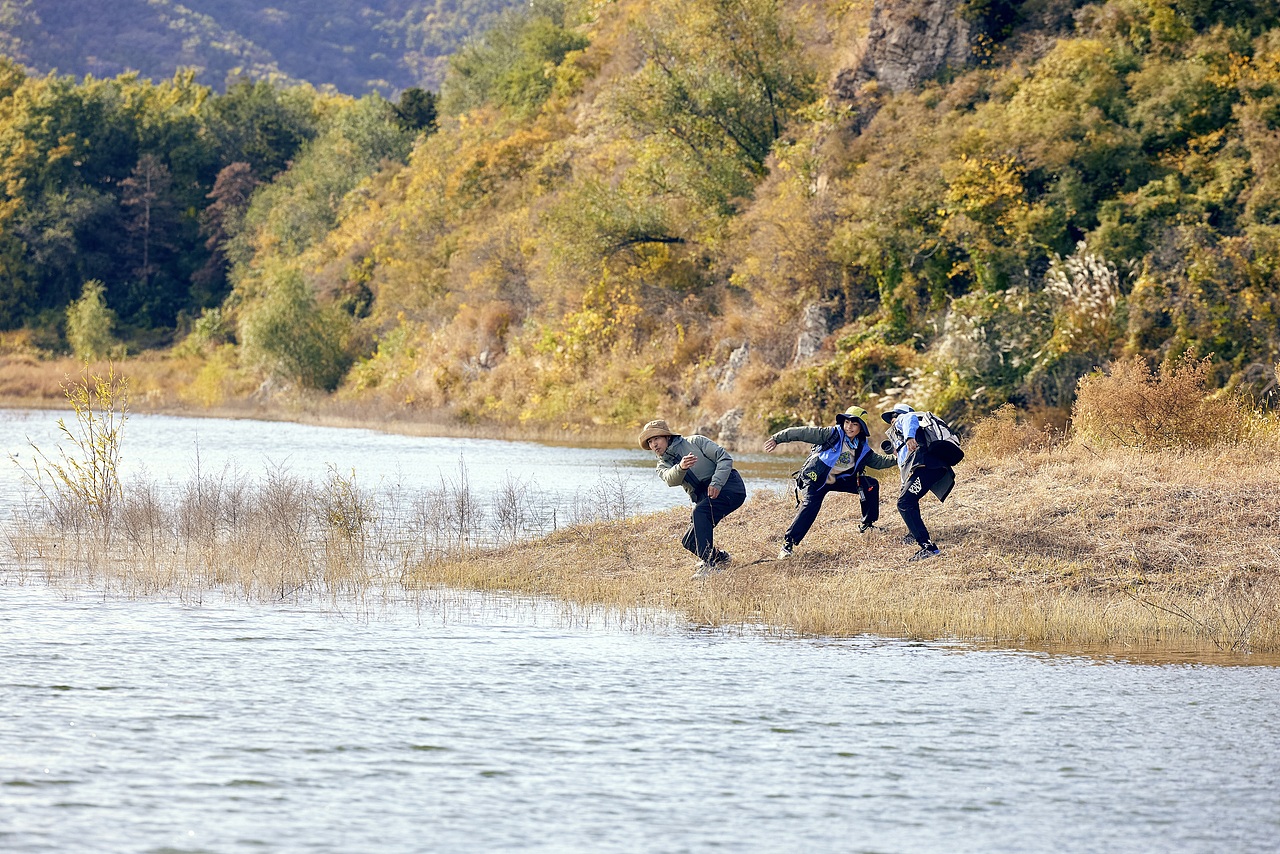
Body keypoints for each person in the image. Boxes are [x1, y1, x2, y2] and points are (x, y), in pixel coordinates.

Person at [764, 405, 896, 559]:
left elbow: (879, 462)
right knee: (810, 505)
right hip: (816, 478)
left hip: (839, 479)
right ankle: (788, 544)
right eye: (847, 422)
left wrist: (897, 458)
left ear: (861, 428)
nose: (849, 427)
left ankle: (867, 525)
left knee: (870, 484)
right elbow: (802, 432)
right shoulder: (830, 434)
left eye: (854, 424)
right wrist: (777, 438)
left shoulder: (862, 447)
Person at [638, 419, 747, 578]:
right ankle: (720, 558)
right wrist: (681, 467)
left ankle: (709, 565)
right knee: (689, 541)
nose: (654, 444)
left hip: (729, 486)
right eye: (650, 441)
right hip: (705, 498)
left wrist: (716, 482)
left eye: (656, 439)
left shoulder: (696, 441)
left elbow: (725, 458)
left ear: (667, 437)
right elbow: (670, 479)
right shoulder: (662, 465)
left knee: (700, 513)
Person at [880, 403, 964, 562]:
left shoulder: (906, 419)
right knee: (909, 500)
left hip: (928, 466)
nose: (891, 420)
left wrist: (909, 437)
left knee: (904, 503)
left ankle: (928, 547)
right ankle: (914, 534)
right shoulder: (909, 435)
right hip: (934, 467)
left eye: (892, 416)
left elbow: (909, 417)